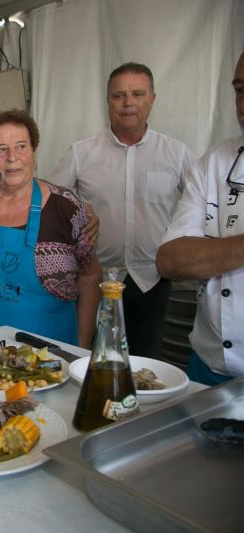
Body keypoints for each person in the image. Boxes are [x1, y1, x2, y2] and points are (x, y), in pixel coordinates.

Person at [51, 62, 195, 357]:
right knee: (89, 362)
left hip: (152, 281)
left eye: (137, 94)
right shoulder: (82, 153)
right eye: (118, 96)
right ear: (107, 101)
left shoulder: (176, 154)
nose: (128, 103)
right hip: (94, 283)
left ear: (152, 99)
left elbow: (201, 203)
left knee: (146, 370)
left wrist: (184, 247)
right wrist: (78, 212)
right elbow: (51, 204)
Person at [0, 110, 102, 348]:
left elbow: (91, 275)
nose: (12, 157)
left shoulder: (65, 207)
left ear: (34, 151)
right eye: (1, 149)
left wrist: (83, 342)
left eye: (22, 146)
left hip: (51, 362)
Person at [156, 50, 244, 385]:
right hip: (208, 369)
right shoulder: (216, 163)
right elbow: (170, 259)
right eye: (240, 90)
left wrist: (213, 253)